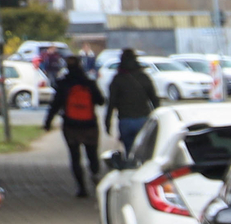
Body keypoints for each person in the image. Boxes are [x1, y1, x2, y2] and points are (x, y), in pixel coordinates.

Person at [43, 56, 108, 196]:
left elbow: (55, 105)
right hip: (89, 125)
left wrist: (47, 122)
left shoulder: (63, 83)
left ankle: (82, 188)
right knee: (92, 155)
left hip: (70, 125)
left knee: (75, 157)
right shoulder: (89, 83)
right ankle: (95, 177)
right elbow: (101, 101)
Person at [106, 47, 158, 152]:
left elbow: (111, 103)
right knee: (145, 151)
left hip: (125, 119)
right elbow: (154, 99)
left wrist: (107, 122)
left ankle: (131, 165)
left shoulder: (118, 79)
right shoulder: (144, 77)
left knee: (129, 151)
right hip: (143, 118)